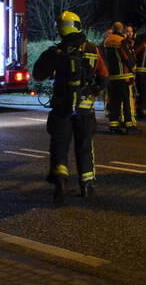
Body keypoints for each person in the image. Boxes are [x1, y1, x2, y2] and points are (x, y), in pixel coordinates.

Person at [32, 11, 108, 203]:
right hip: (85, 110)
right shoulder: (92, 49)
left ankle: (60, 180)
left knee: (60, 144)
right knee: (84, 146)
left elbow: (38, 75)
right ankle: (87, 185)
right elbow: (104, 76)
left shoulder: (56, 52)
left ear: (60, 28)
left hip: (62, 108)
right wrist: (94, 89)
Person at [102, 21, 138, 134]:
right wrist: (134, 67)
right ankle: (130, 126)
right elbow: (126, 57)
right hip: (124, 77)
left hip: (112, 78)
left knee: (114, 102)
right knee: (127, 102)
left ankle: (113, 126)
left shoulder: (106, 41)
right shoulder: (121, 41)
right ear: (121, 30)